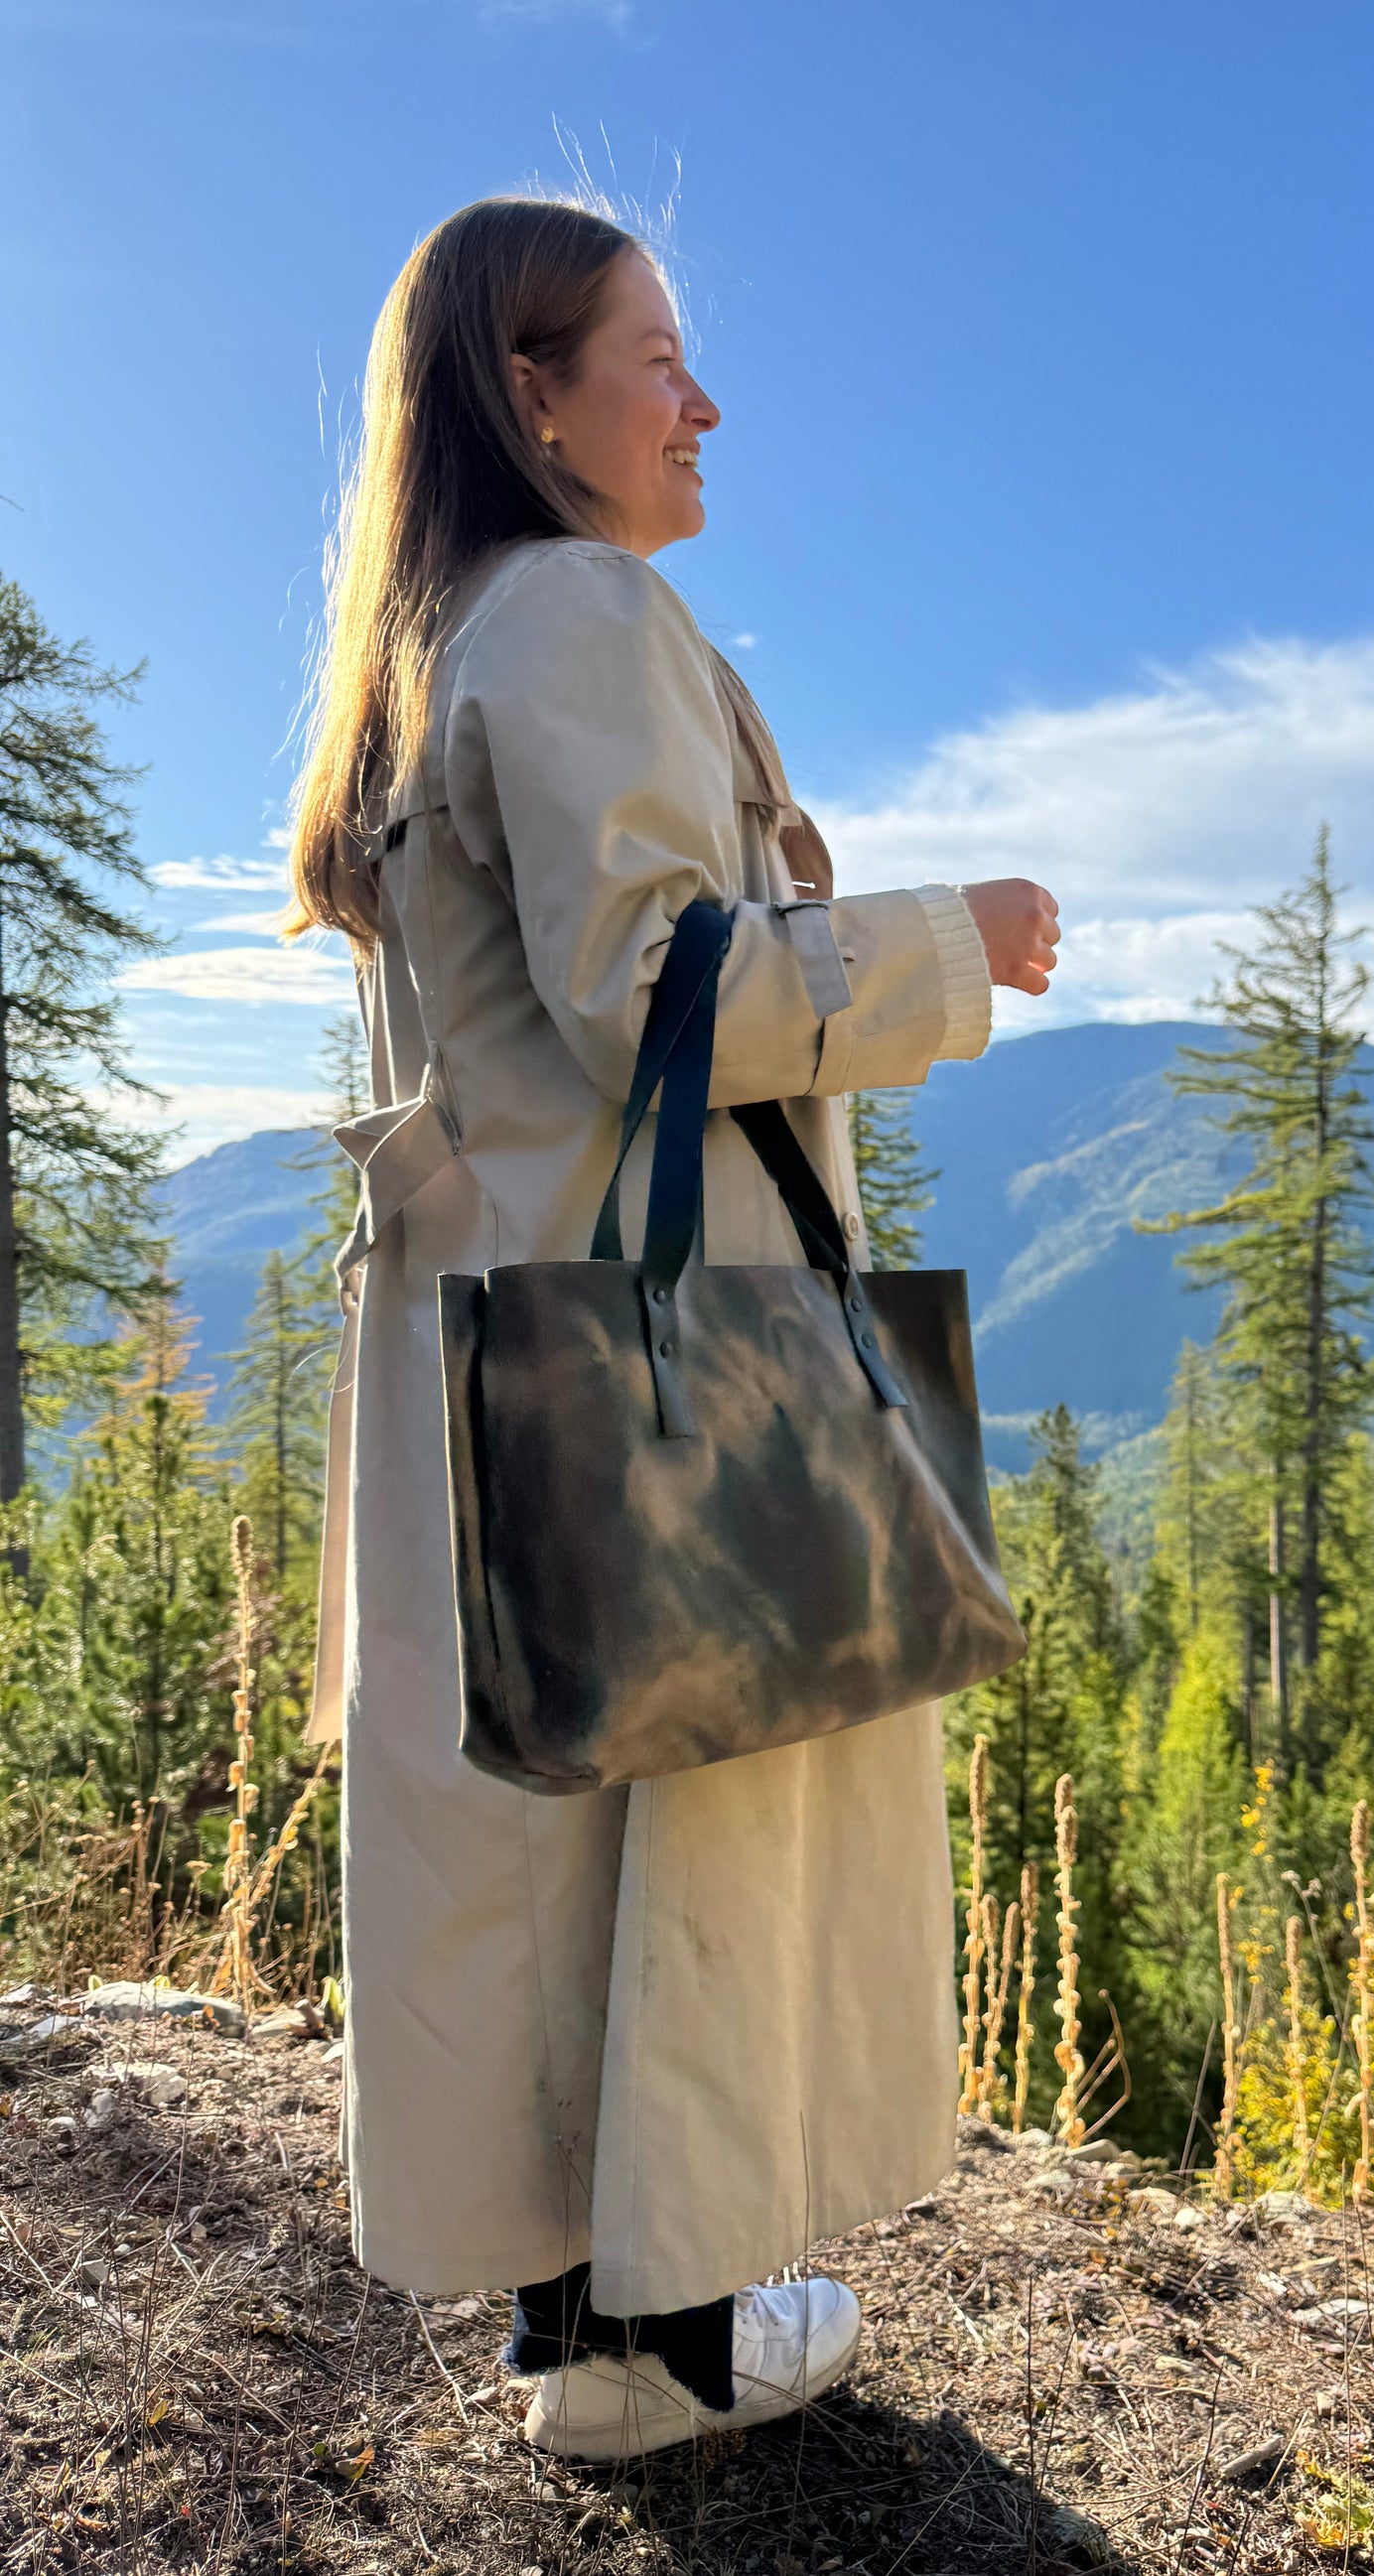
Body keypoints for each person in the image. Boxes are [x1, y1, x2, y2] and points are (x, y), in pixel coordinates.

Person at [284, 195, 1059, 2463]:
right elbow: (653, 985)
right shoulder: (580, 604)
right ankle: (671, 2340)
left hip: (497, 1316)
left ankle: (595, 2319)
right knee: (695, 1799)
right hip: (657, 1324)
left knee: (552, 1826)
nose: (701, 402)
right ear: (532, 397)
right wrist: (951, 940)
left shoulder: (442, 635)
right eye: (655, 358)